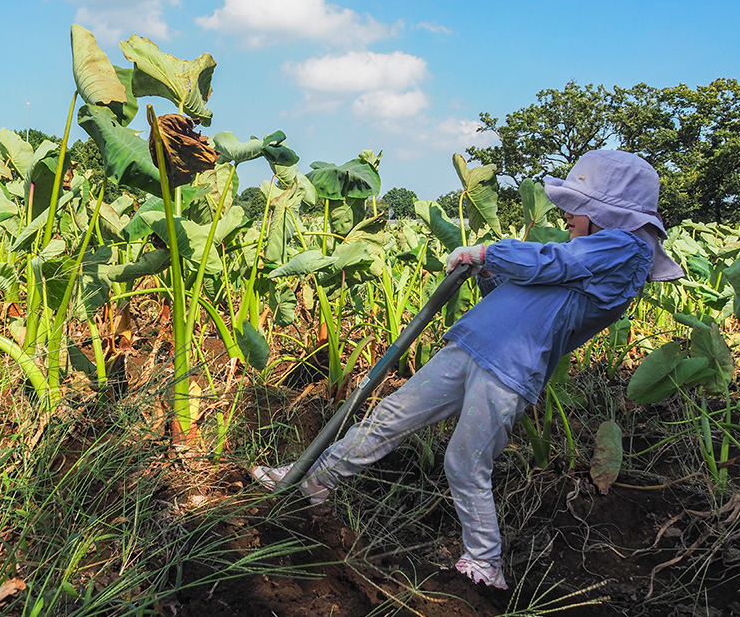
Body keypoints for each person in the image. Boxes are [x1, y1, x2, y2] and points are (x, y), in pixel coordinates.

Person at [252, 149, 684, 589]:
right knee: (388, 417)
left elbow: (553, 263)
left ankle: (484, 563)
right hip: (472, 345)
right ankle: (312, 481)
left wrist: (487, 252)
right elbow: (520, 280)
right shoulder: (588, 252)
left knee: (465, 461)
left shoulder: (626, 250)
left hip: (508, 369)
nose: (567, 213)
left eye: (578, 206)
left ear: (606, 213)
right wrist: (483, 268)